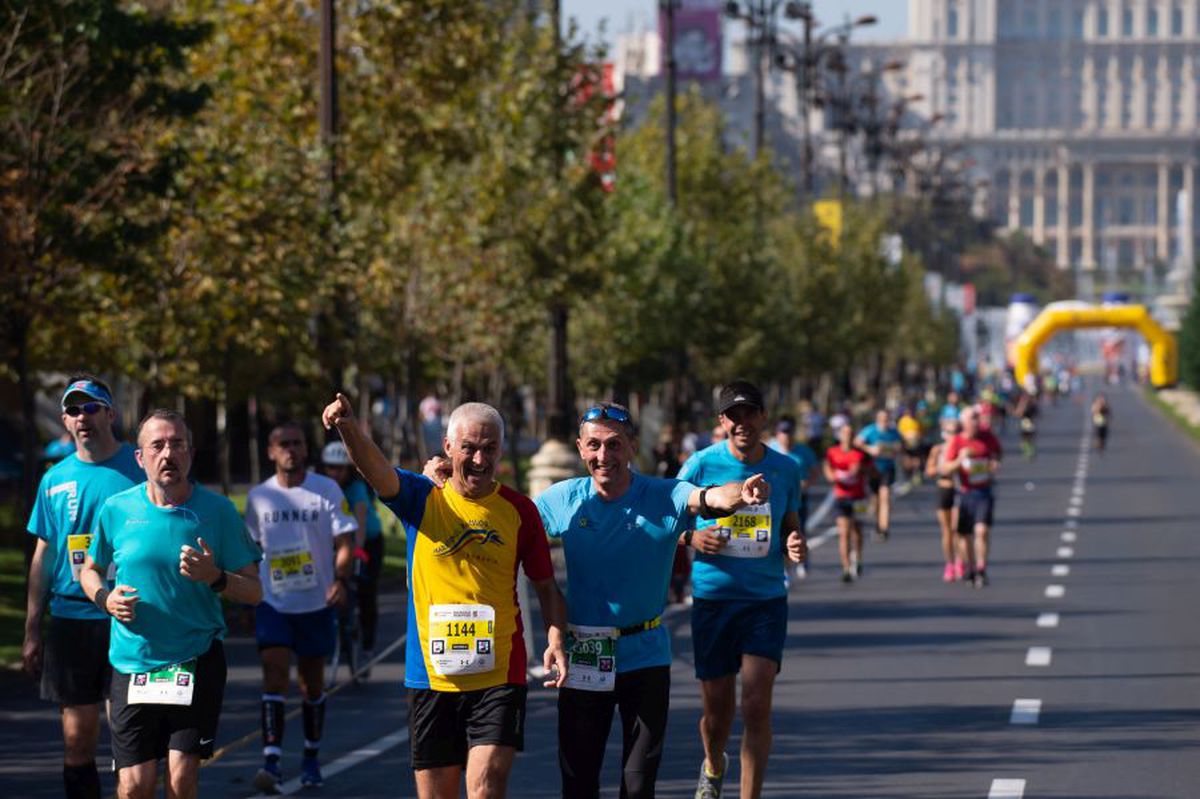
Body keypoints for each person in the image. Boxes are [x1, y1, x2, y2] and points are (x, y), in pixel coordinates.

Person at [323, 393, 568, 799]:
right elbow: (375, 469)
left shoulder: (519, 511)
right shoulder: (422, 497)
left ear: (501, 451)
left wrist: (556, 640)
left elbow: (546, 585)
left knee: (485, 786)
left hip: (499, 674)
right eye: (468, 448)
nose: (478, 459)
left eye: (489, 449)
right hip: (431, 677)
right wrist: (348, 425)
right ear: (448, 447)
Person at [526, 401, 770, 799]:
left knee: (639, 784)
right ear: (580, 447)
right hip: (585, 651)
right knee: (578, 780)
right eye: (594, 446)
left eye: (614, 445)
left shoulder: (664, 494)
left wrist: (739, 494)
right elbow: (510, 525)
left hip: (646, 655)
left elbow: (708, 499)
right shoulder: (563, 498)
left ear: (632, 447)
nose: (603, 456)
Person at [79, 409, 262, 799]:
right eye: (157, 445)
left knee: (181, 781)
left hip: (194, 660)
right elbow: (89, 569)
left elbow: (255, 591)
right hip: (132, 663)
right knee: (133, 788)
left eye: (177, 444)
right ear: (139, 457)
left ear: (191, 454)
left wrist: (215, 576)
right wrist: (105, 598)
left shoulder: (218, 512)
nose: (168, 454)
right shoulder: (117, 509)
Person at [677, 383, 806, 799]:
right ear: (721, 423)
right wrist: (693, 540)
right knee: (717, 714)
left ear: (762, 417)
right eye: (733, 416)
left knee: (755, 705)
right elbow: (666, 518)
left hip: (765, 600)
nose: (742, 423)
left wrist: (793, 541)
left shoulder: (785, 468)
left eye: (750, 414)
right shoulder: (699, 465)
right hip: (714, 599)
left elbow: (789, 522)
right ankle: (714, 764)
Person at [24, 376, 144, 799]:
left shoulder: (140, 465)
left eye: (91, 408)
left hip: (130, 618)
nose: (83, 417)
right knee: (78, 743)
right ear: (65, 421)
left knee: (130, 743)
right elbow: (43, 555)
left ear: (110, 414)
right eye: (74, 410)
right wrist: (32, 630)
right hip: (73, 620)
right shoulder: (54, 480)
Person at [247, 424, 358, 793]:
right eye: (283, 445)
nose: (290, 450)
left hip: (315, 603)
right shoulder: (259, 496)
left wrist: (340, 580)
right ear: (271, 451)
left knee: (311, 685)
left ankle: (311, 757)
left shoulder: (326, 490)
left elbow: (345, 541)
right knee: (274, 676)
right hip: (273, 602)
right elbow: (251, 550)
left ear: (305, 449)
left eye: (296, 443)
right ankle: (272, 761)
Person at [321, 441, 386, 665]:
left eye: (340, 467)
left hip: (367, 541)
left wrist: (357, 552)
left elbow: (358, 522)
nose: (335, 472)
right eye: (330, 467)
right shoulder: (322, 487)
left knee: (367, 591)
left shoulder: (356, 489)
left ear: (348, 469)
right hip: (336, 542)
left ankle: (367, 644)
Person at [942, 407, 1002, 588]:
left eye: (977, 418)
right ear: (964, 423)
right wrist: (960, 459)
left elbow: (998, 454)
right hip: (964, 493)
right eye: (972, 419)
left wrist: (994, 463)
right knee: (964, 535)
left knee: (982, 531)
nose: (976, 422)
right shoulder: (957, 441)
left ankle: (981, 568)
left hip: (984, 492)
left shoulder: (987, 436)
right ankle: (970, 567)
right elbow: (945, 469)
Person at [767, 414, 819, 579]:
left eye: (789, 432)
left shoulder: (803, 451)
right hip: (776, 500)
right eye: (783, 432)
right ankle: (785, 570)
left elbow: (815, 470)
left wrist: (807, 483)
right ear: (777, 433)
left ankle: (802, 559)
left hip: (799, 498)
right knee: (778, 533)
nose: (786, 436)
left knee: (798, 530)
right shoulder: (769, 448)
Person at [824, 421, 872, 583]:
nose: (848, 436)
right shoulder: (832, 452)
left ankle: (857, 558)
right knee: (844, 533)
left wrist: (861, 471)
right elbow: (828, 468)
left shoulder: (861, 454)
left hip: (859, 497)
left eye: (851, 434)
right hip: (841, 496)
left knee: (857, 532)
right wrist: (833, 476)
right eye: (845, 433)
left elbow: (872, 471)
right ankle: (846, 567)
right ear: (840, 435)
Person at [855, 409, 903, 540]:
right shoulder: (870, 430)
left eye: (886, 418)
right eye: (882, 418)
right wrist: (870, 449)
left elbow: (900, 446)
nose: (884, 421)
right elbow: (857, 442)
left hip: (888, 468)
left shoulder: (894, 432)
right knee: (876, 499)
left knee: (885, 496)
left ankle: (884, 529)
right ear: (877, 419)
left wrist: (894, 450)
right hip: (873, 469)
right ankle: (878, 524)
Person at [925, 419, 961, 582]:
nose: (952, 436)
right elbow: (929, 471)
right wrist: (943, 468)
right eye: (949, 432)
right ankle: (950, 564)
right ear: (943, 434)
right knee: (946, 530)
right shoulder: (938, 450)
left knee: (957, 528)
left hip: (959, 490)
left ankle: (961, 560)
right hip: (944, 489)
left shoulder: (963, 449)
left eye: (955, 432)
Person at [1015, 389, 1039, 460]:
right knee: (1026, 438)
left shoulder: (1030, 404)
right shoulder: (1024, 404)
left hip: (1028, 422)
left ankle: (1029, 451)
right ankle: (1028, 450)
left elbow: (1019, 413)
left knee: (1028, 438)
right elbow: (1018, 413)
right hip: (1026, 422)